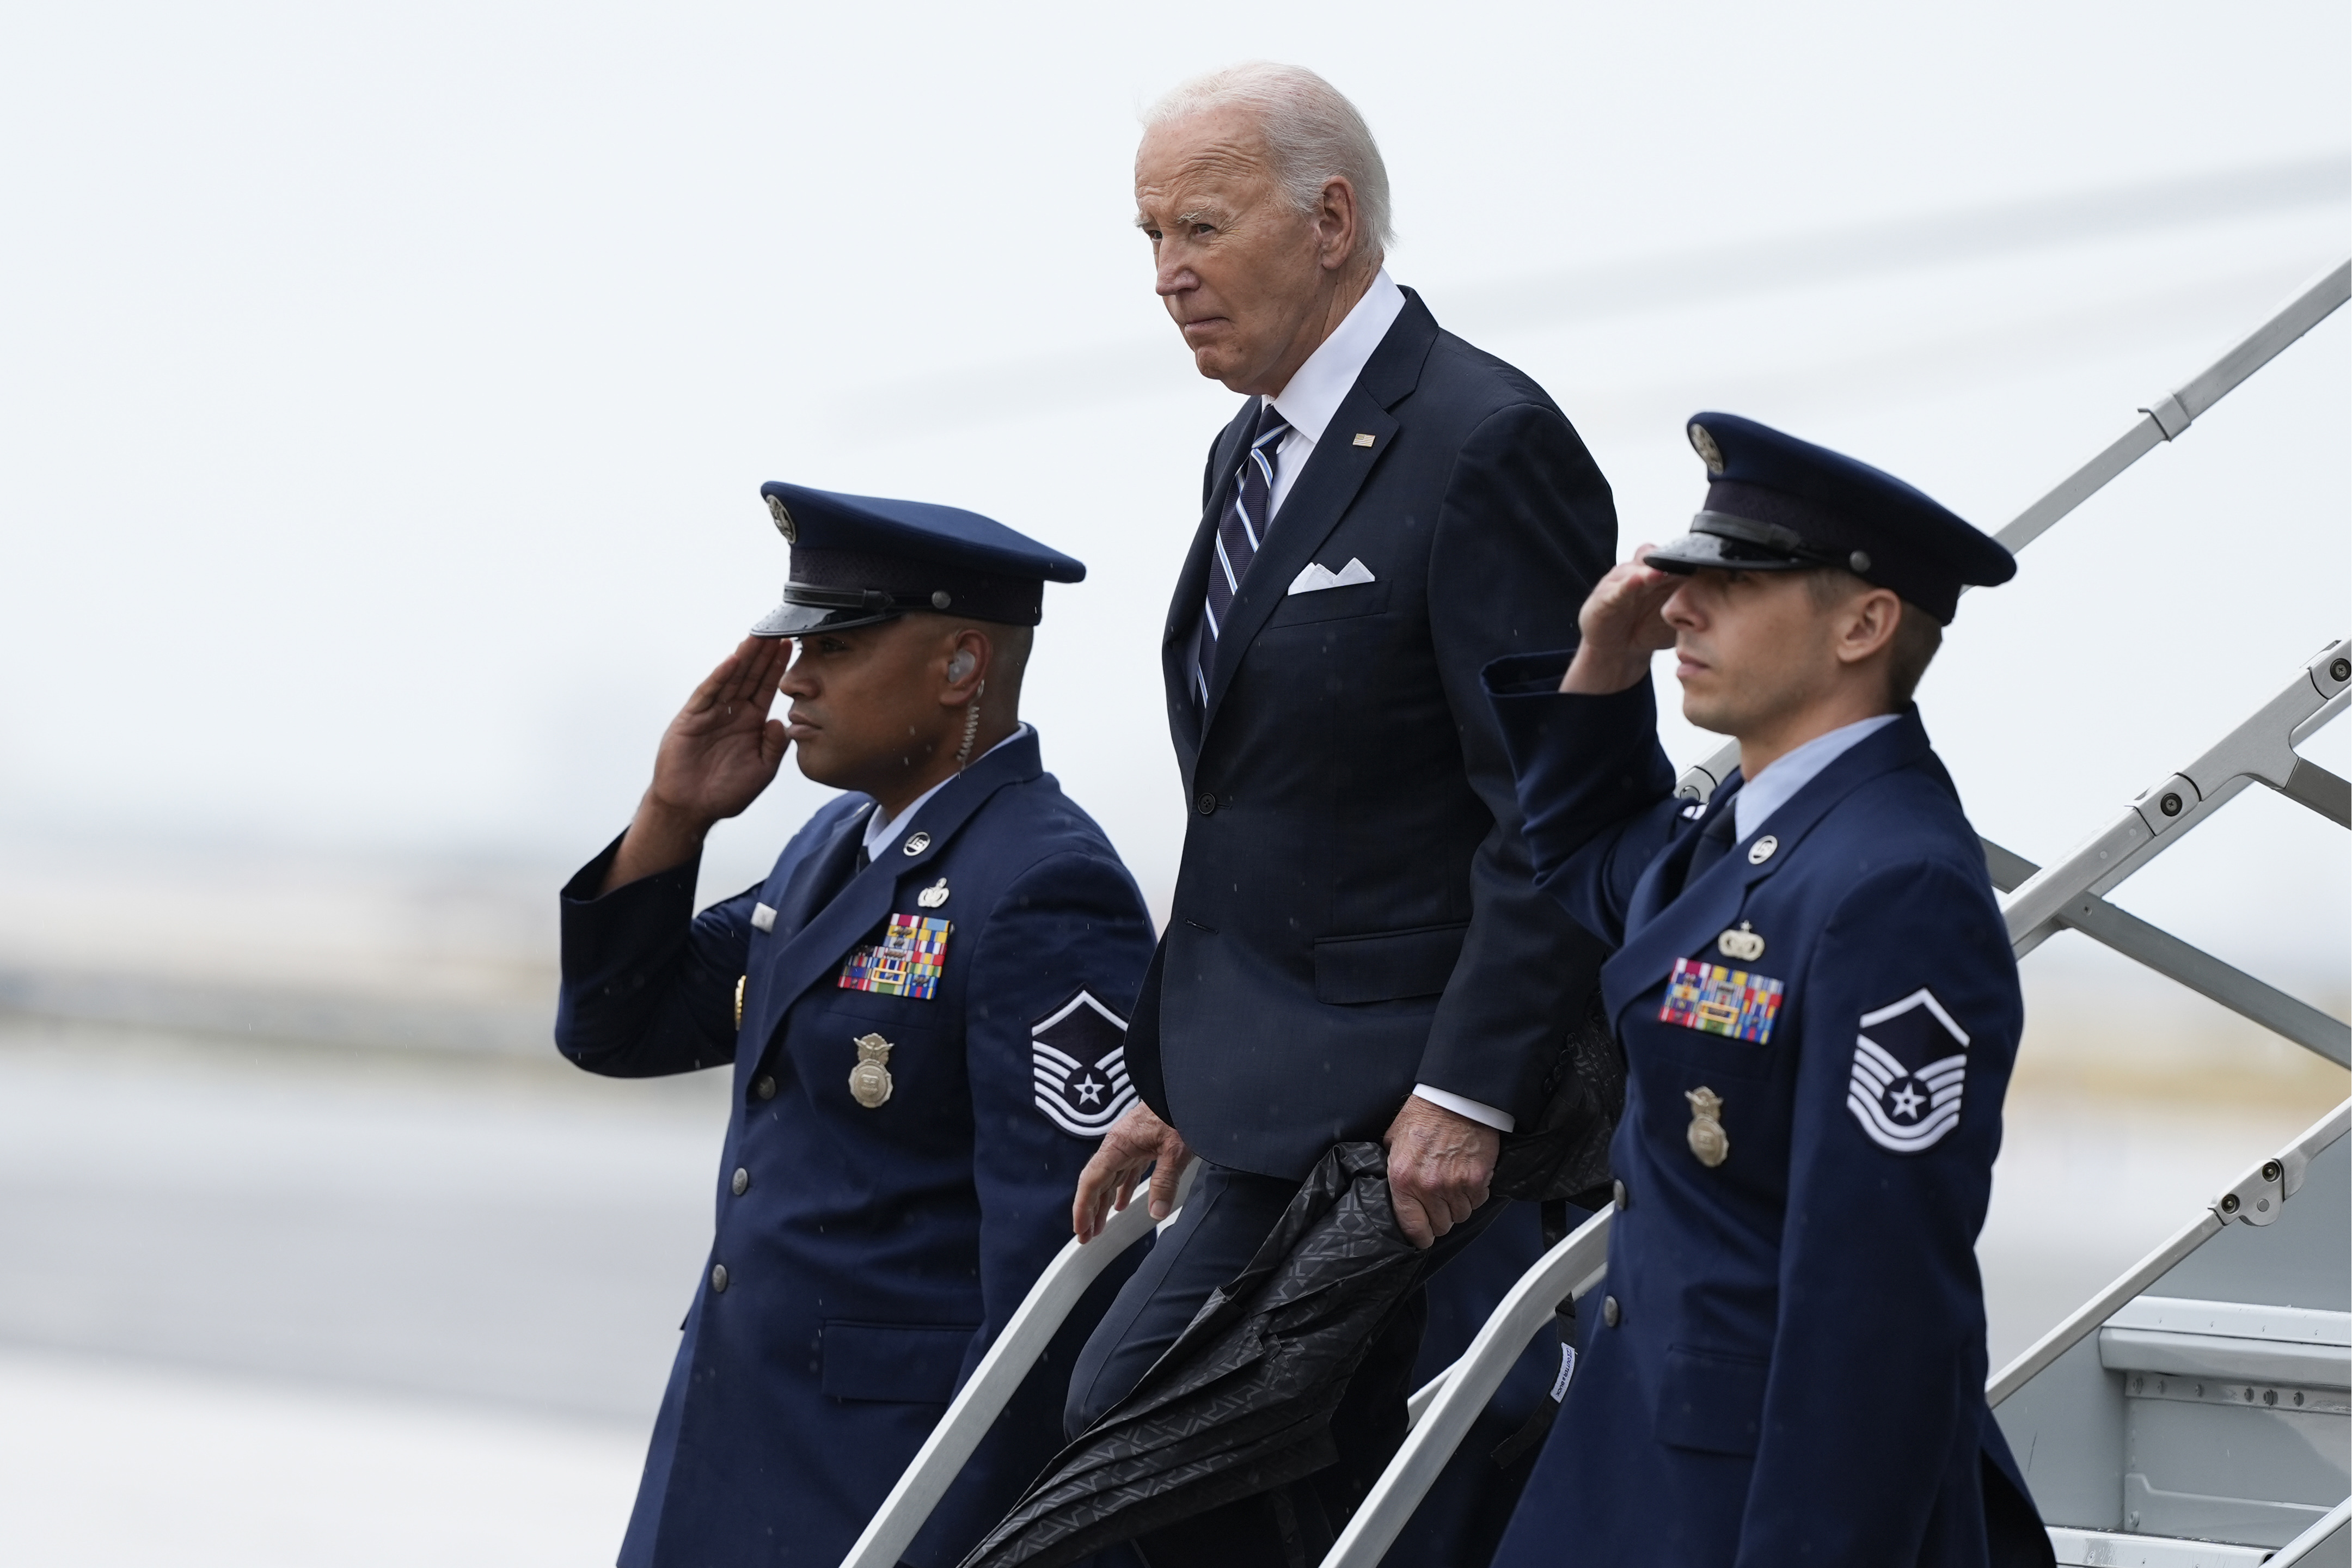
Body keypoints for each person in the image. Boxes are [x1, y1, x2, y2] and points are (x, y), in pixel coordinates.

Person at [1062, 62, 1619, 1565]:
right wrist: (1180, 1069)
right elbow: (1267, 811)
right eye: (1149, 238)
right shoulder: (1249, 452)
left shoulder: (1485, 440)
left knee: (1163, 1438)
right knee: (1197, 1469)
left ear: (1328, 219)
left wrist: (1473, 1092)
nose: (1169, 275)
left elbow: (1554, 808)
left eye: (1201, 227)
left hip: (1417, 1123)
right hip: (1267, 1096)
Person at [1480, 413, 2053, 1566]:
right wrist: (1599, 666)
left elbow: (1877, 1304)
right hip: (1642, 1463)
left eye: (1732, 583)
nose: (1679, 606)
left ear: (1865, 622)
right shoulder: (1753, 833)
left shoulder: (1894, 884)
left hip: (1759, 1500)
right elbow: (1591, 869)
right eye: (1683, 575)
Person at [554, 483, 1157, 1568]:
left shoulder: (1042, 883)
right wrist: (673, 815)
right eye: (798, 644)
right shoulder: (835, 847)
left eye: (837, 645)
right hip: (734, 1452)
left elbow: (1063, 1272)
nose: (795, 678)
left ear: (962, 664)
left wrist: (966, 1534)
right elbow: (619, 1028)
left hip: (886, 1487)